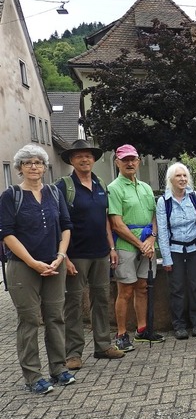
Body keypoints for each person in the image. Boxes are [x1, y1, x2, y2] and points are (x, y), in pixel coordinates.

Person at [0, 144, 75, 394]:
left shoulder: (55, 192)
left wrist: (61, 255)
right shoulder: (11, 195)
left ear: (45, 167)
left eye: (39, 162)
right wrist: (33, 262)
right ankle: (33, 376)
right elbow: (6, 233)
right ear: (20, 168)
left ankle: (59, 368)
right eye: (28, 162)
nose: (34, 166)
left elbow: (66, 226)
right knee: (29, 320)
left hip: (54, 264)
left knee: (55, 317)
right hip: (23, 267)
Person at [57, 140, 123, 371]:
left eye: (88, 156)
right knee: (73, 304)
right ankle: (73, 353)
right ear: (71, 160)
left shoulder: (100, 183)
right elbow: (59, 223)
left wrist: (111, 247)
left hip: (100, 253)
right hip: (76, 254)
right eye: (79, 157)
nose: (84, 160)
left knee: (101, 300)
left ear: (93, 159)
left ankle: (103, 345)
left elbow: (105, 218)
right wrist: (64, 256)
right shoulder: (63, 186)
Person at [108, 144, 165, 352]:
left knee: (143, 288)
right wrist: (141, 244)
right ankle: (122, 334)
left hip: (147, 244)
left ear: (139, 161)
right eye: (125, 160)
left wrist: (152, 238)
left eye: (133, 159)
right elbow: (117, 223)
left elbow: (153, 216)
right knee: (126, 290)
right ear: (117, 162)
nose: (130, 163)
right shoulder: (114, 188)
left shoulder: (146, 187)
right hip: (126, 246)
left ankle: (142, 330)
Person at [156, 162, 196, 340]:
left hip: (195, 248)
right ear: (170, 179)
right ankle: (179, 325)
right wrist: (167, 258)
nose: (182, 179)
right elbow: (162, 231)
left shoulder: (194, 197)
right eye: (178, 176)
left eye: (185, 176)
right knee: (177, 288)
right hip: (175, 250)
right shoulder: (164, 201)